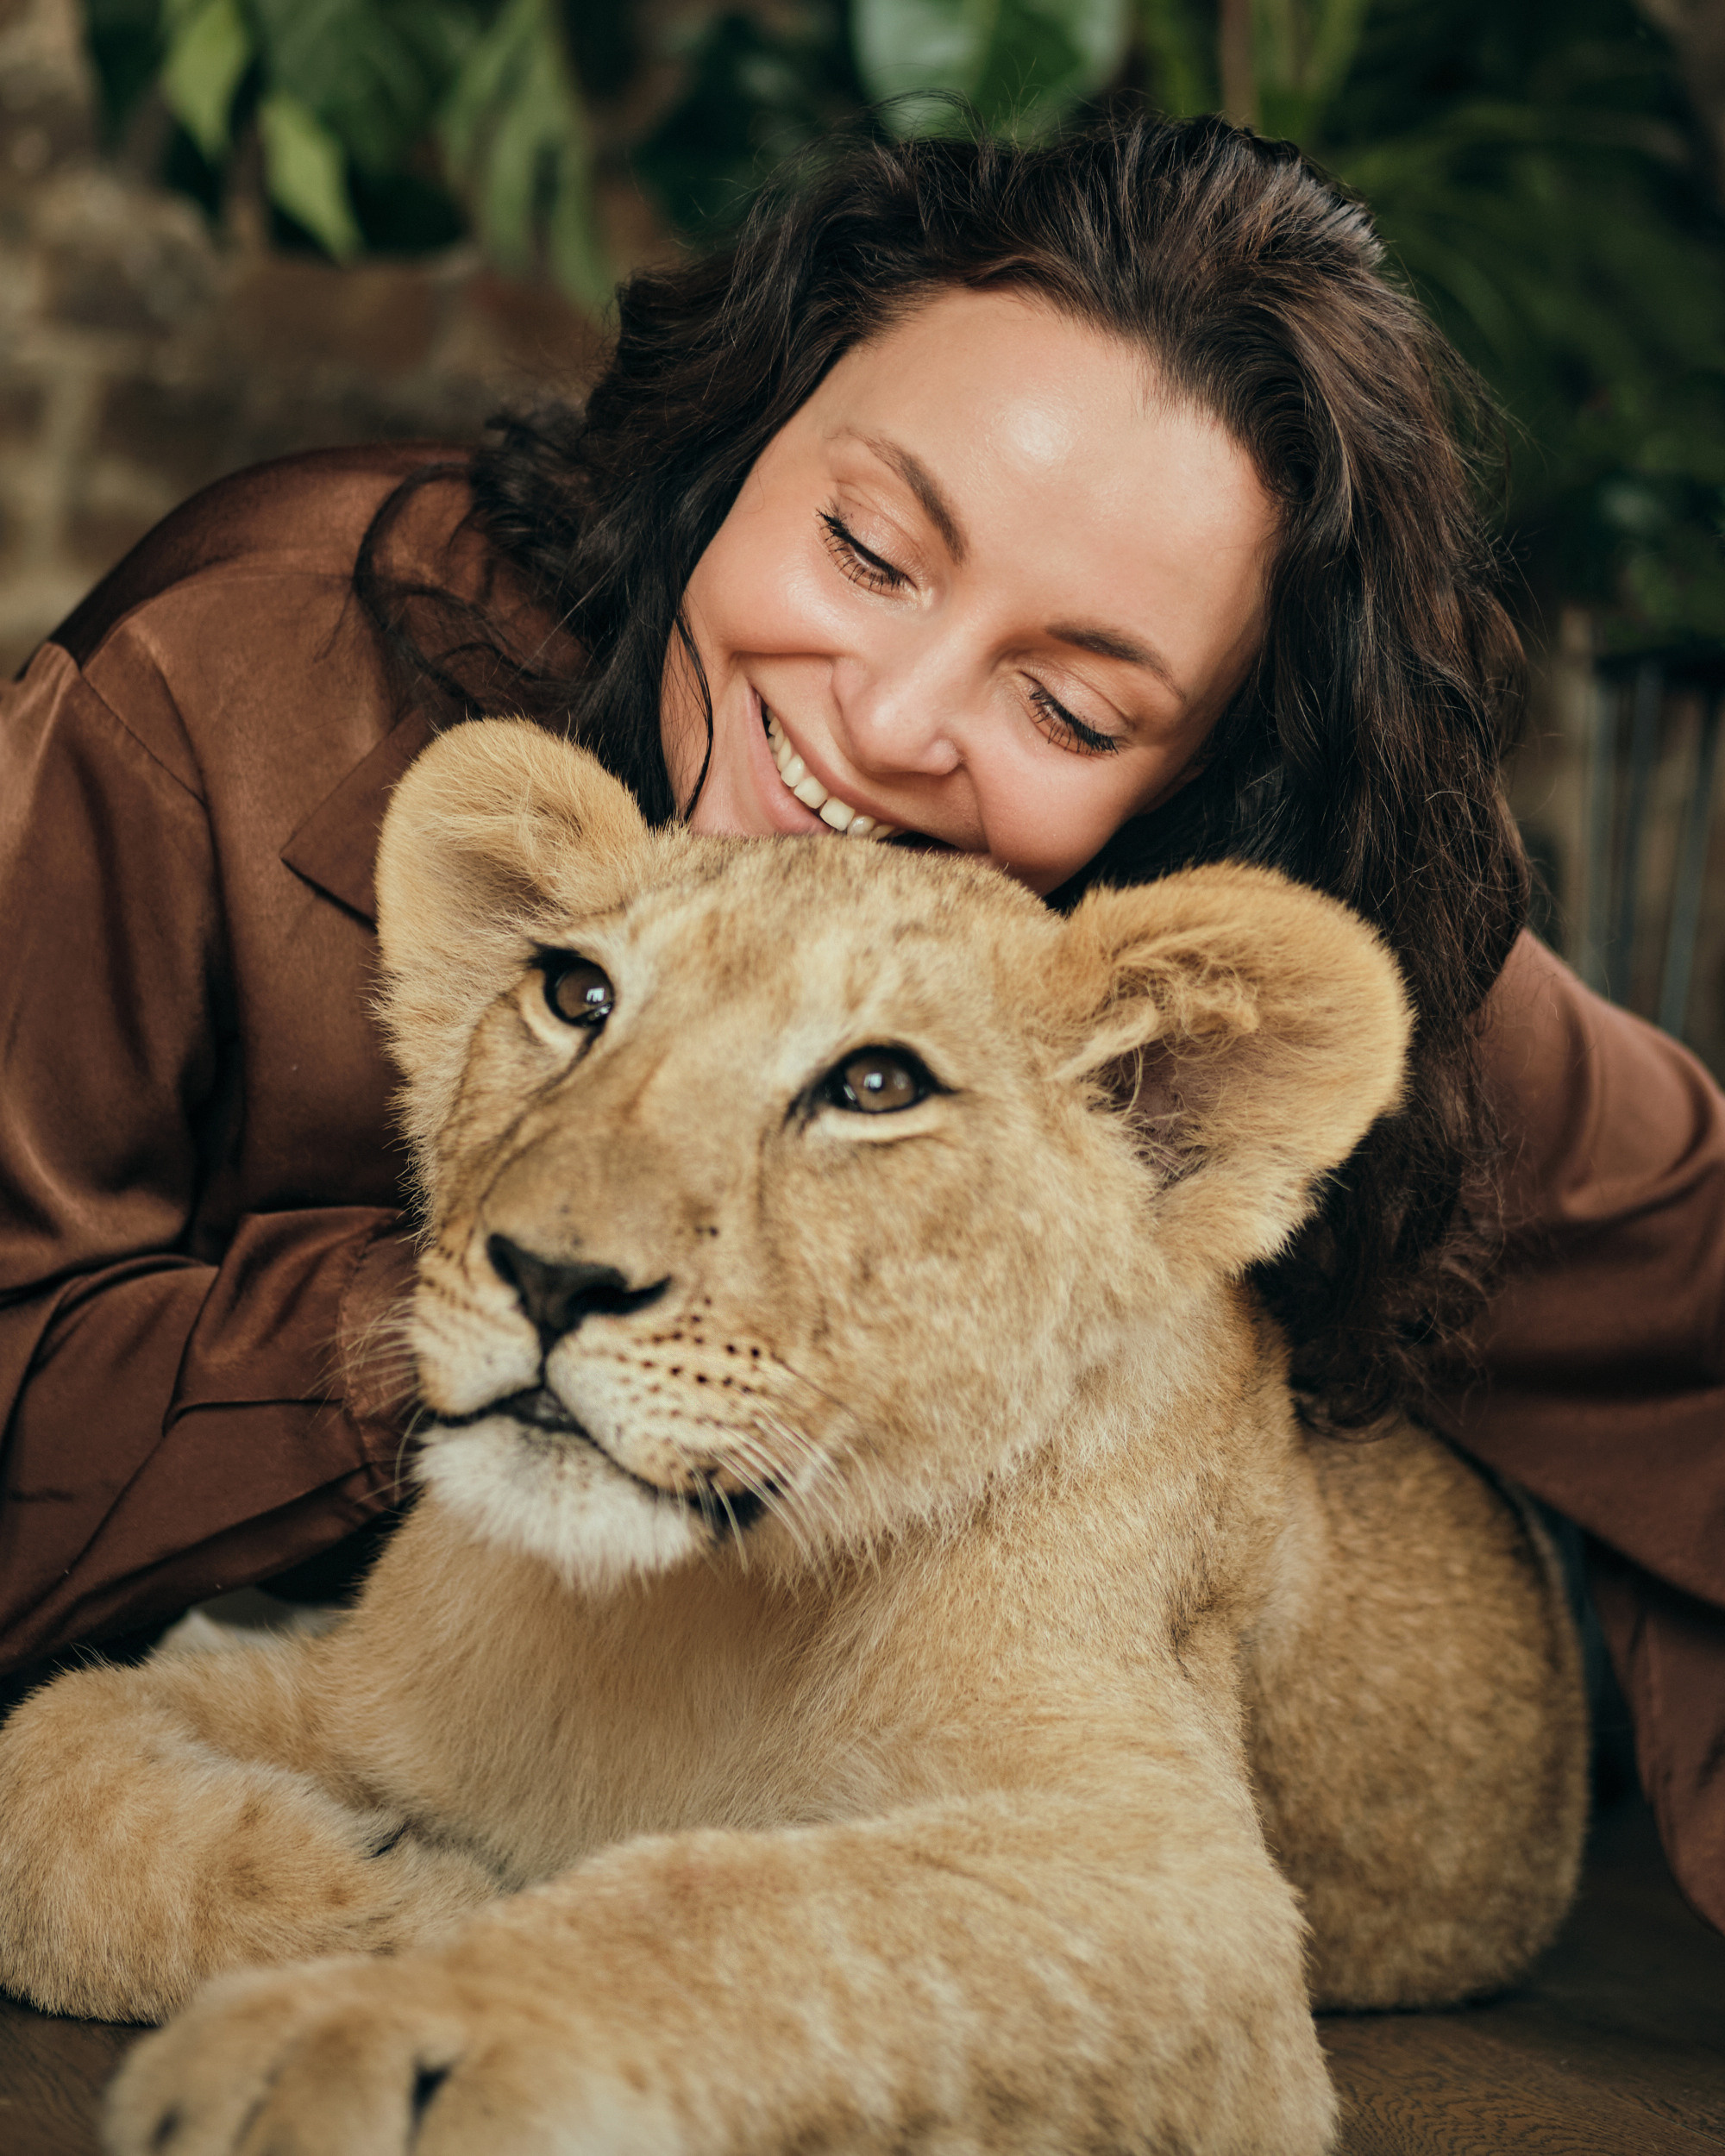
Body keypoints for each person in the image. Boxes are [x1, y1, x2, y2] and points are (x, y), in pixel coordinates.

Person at [2, 112, 1722, 1931]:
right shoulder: (236, 675)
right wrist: (514, 1294)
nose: (891, 722)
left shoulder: (1242, 934)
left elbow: (1695, 1289)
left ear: (1204, 778)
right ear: (753, 428)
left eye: (1068, 708)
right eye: (868, 547)